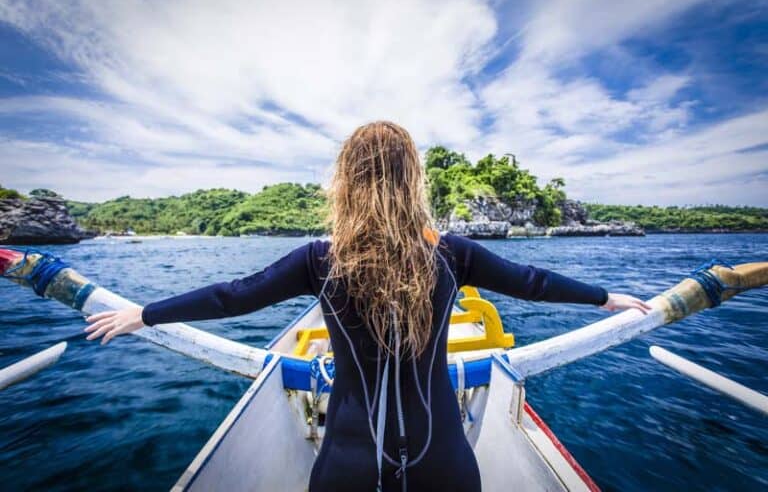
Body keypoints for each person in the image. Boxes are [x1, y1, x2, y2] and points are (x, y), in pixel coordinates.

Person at [84, 121, 651, 492]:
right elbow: (534, 281)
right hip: (445, 464)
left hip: (348, 465)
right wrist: (606, 298)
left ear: (345, 182)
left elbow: (234, 294)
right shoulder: (453, 254)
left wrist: (144, 312)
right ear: (414, 182)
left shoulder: (319, 259)